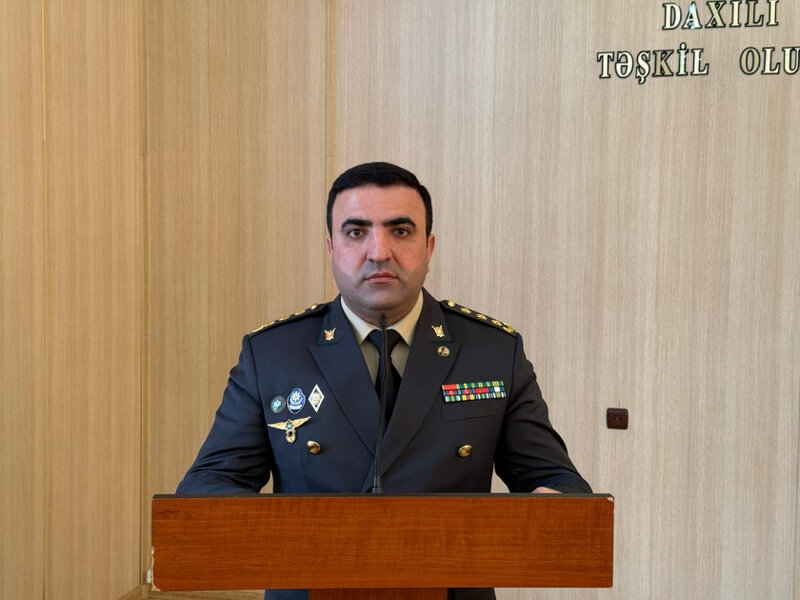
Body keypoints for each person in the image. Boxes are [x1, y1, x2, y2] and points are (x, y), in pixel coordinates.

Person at [177, 162, 591, 600]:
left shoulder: (492, 352)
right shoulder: (273, 354)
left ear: (428, 247)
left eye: (401, 231)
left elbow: (555, 478)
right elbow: (210, 483)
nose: (379, 251)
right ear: (331, 247)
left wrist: (553, 505)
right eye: (356, 232)